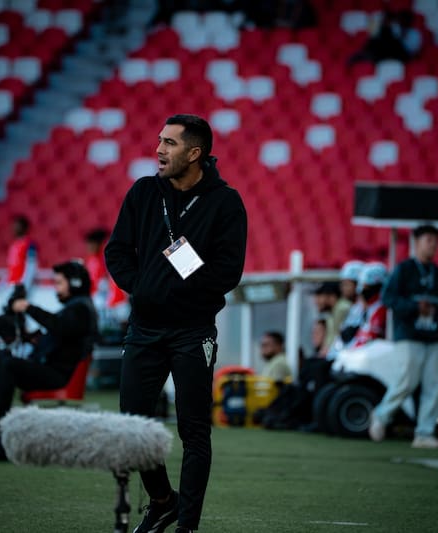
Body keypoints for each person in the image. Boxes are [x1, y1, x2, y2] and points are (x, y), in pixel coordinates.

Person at [105, 114, 247, 533]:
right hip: (145, 327)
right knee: (133, 428)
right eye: (159, 140)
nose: (159, 150)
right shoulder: (144, 191)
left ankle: (187, 526)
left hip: (193, 330)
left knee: (194, 431)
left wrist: (179, 286)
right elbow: (117, 252)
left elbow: (227, 273)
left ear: (195, 153)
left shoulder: (225, 202)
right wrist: (145, 287)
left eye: (169, 143)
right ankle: (164, 501)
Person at [0, 260, 98, 437]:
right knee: (0, 359)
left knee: (9, 365)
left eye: (59, 283)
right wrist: (32, 339)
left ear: (75, 283)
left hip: (59, 375)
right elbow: (61, 335)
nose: (56, 289)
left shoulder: (80, 309)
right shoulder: (78, 307)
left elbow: (59, 326)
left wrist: (28, 307)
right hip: (56, 370)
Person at [369, 224, 438, 449]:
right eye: (428, 240)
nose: (432, 245)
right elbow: (388, 298)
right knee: (406, 382)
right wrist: (414, 306)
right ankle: (382, 416)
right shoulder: (404, 270)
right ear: (416, 242)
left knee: (433, 385)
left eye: (435, 241)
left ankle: (424, 433)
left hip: (434, 337)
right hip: (409, 335)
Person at [0, 214, 38, 293]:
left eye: (17, 226)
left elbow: (31, 267)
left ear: (25, 228)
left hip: (21, 286)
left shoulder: (29, 245)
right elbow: (10, 268)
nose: (14, 228)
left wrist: (25, 285)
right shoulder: (13, 246)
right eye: (14, 226)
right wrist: (2, 284)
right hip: (11, 285)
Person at [313, 281, 341, 356]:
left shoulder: (341, 308)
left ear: (332, 296)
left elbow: (338, 338)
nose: (316, 301)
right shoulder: (333, 312)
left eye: (319, 296)